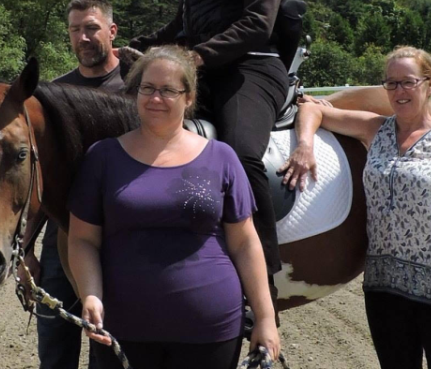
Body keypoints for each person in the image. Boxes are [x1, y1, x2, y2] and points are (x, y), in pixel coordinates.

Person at [128, 0, 290, 304]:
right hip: (199, 66)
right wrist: (140, 48)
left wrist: (197, 57)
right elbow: (181, 23)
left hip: (252, 68)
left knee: (240, 152)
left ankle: (265, 278)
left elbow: (258, 23)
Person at [68, 46, 280, 369]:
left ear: (189, 98)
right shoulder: (102, 158)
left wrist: (265, 318)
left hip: (211, 331)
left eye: (168, 90)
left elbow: (245, 243)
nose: (156, 98)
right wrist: (91, 295)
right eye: (147, 89)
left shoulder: (222, 158)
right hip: (122, 328)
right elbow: (82, 239)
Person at [280, 46, 431, 369]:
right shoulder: (374, 129)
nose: (398, 91)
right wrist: (305, 145)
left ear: (429, 84)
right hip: (385, 289)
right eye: (390, 84)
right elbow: (310, 109)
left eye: (408, 82)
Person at [27, 0, 125, 369]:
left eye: (91, 28)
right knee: (54, 350)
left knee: (110, 348)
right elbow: (40, 177)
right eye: (74, 30)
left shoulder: (137, 88)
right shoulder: (52, 94)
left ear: (112, 31)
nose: (82, 38)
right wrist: (28, 249)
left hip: (121, 240)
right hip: (61, 239)